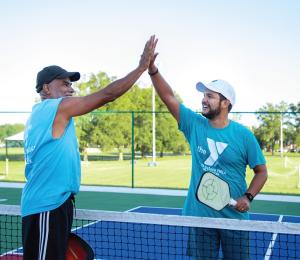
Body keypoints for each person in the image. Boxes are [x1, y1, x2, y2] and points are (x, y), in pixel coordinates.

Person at [21, 35, 157, 260]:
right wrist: (142, 68)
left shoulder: (39, 115)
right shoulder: (55, 108)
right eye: (64, 83)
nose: (71, 88)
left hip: (54, 204)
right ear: (46, 88)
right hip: (47, 206)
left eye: (71, 84)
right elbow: (107, 95)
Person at [148, 47, 268, 259]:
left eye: (210, 96)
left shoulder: (244, 135)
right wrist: (153, 70)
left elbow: (261, 172)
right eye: (204, 95)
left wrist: (248, 197)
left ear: (225, 103)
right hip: (200, 217)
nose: (204, 100)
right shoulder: (194, 125)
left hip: (235, 220)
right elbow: (169, 97)